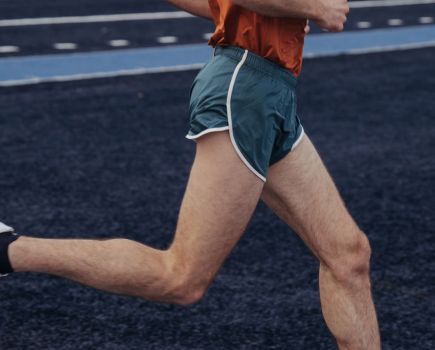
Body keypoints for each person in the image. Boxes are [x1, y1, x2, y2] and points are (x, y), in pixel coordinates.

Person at [0, 0, 381, 348]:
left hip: (271, 90)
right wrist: (310, 6)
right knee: (181, 278)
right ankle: (10, 250)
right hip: (245, 89)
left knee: (348, 255)